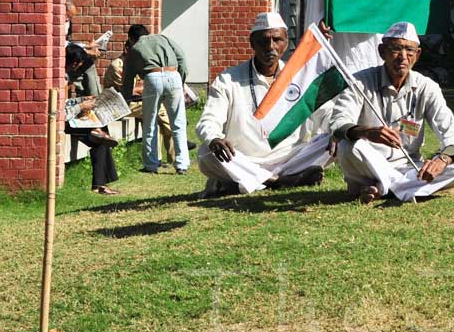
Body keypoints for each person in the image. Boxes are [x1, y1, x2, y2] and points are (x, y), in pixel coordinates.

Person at [326, 21, 454, 205]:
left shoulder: (426, 87)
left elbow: (450, 132)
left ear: (417, 55)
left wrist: (442, 159)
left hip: (409, 167)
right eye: (396, 49)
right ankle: (401, 188)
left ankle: (384, 188)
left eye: (409, 50)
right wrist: (367, 132)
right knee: (349, 146)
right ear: (382, 52)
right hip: (367, 168)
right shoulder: (360, 82)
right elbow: (338, 123)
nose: (403, 56)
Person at [195, 12, 332, 196]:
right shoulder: (228, 79)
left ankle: (246, 183)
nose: (270, 47)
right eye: (263, 41)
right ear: (252, 43)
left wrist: (340, 130)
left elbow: (325, 114)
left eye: (277, 40)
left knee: (337, 140)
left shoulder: (299, 76)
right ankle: (278, 182)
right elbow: (209, 120)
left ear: (286, 42)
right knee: (206, 152)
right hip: (243, 159)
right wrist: (214, 138)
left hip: (290, 158)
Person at [120, 23, 189, 174]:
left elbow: (127, 78)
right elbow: (182, 57)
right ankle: (182, 164)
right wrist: (181, 80)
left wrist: (125, 100)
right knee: (178, 122)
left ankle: (151, 165)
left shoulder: (135, 48)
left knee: (150, 122)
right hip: (173, 75)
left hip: (152, 78)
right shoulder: (163, 38)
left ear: (131, 39)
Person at [64, 44, 120, 195]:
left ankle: (99, 186)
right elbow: (60, 113)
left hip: (71, 117)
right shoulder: (60, 79)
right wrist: (81, 106)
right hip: (65, 122)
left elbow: (65, 104)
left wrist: (82, 99)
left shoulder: (64, 77)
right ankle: (100, 186)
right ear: (73, 63)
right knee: (101, 136)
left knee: (100, 137)